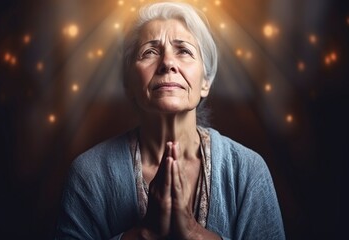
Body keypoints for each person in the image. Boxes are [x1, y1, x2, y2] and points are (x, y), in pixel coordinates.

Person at [55, 2, 285, 239]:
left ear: (205, 82)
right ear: (130, 84)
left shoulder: (247, 170)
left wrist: (195, 234)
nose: (167, 63)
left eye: (184, 51)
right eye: (150, 52)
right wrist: (144, 235)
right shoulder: (88, 173)